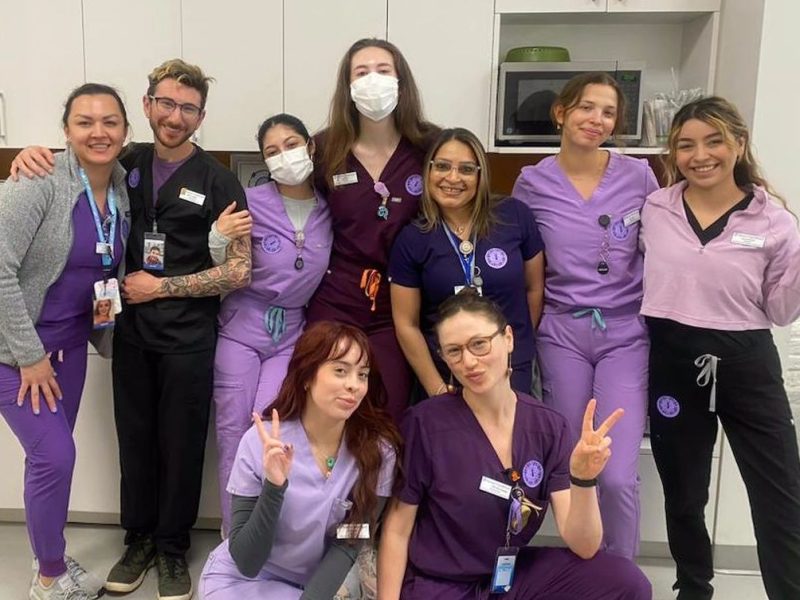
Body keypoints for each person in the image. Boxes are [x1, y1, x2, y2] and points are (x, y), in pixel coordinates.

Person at [10, 59, 252, 600]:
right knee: (136, 443)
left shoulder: (218, 179)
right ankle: (137, 540)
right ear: (146, 108)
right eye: (165, 103)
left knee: (182, 444)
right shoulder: (125, 164)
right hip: (130, 335)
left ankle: (170, 549)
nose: (174, 115)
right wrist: (33, 152)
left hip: (189, 337)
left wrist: (162, 288)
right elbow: (69, 160)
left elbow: (241, 271)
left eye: (187, 108)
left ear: (200, 116)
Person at [377, 290, 651, 599]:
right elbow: (397, 532)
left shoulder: (547, 426)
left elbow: (585, 546)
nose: (469, 361)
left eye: (479, 344)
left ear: (508, 338)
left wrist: (583, 480)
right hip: (441, 585)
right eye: (454, 351)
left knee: (626, 582)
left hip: (508, 577)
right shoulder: (425, 425)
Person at [640, 96, 800, 600]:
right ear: (673, 153)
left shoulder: (773, 221)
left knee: (780, 494)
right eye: (685, 145)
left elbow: (780, 311)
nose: (699, 154)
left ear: (739, 145)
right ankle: (693, 587)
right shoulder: (656, 208)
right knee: (684, 492)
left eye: (714, 141)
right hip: (672, 358)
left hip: (746, 362)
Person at [511, 72, 659, 559]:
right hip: (562, 334)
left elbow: (663, 247)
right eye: (586, 107)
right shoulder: (531, 183)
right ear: (561, 113)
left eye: (609, 112)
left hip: (624, 333)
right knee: (575, 467)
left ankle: (622, 578)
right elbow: (522, 262)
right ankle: (586, 570)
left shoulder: (639, 176)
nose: (597, 120)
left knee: (615, 474)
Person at [0, 83, 130, 600]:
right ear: (66, 131)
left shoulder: (120, 187)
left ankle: (46, 557)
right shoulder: (39, 181)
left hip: (70, 349)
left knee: (49, 460)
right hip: (18, 353)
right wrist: (29, 357)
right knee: (55, 456)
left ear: (126, 130)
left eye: (109, 122)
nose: (98, 132)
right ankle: (50, 578)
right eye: (84, 122)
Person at [198, 320, 400, 599]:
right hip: (243, 581)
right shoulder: (261, 442)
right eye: (340, 371)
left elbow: (348, 544)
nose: (354, 385)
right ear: (306, 376)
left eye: (362, 375)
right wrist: (273, 487)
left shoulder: (378, 452)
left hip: (315, 584)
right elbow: (247, 561)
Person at [211, 113, 332, 537]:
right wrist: (216, 238)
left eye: (292, 144)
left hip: (290, 336)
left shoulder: (329, 208)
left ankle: (270, 535)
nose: (285, 156)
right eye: (272, 151)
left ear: (310, 148)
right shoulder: (248, 200)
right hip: (242, 327)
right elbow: (221, 262)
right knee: (233, 432)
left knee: (272, 430)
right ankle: (233, 538)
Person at [306, 38, 439, 421]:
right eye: (361, 73)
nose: (373, 80)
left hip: (401, 307)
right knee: (329, 415)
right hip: (336, 301)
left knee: (389, 416)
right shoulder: (324, 149)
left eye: (383, 71)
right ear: (347, 87)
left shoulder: (428, 147)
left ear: (402, 82)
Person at [389, 127, 544, 399]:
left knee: (510, 441)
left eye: (466, 169)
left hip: (510, 366)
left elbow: (534, 289)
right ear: (428, 171)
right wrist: (436, 388)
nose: (453, 178)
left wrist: (512, 347)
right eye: (443, 167)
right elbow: (406, 324)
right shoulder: (413, 238)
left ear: (480, 175)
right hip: (448, 371)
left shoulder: (514, 216)